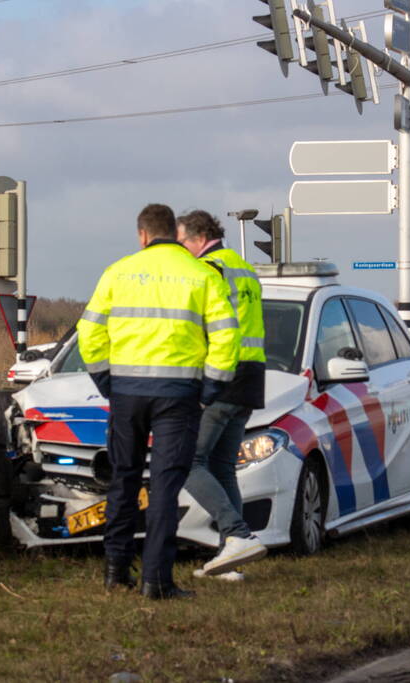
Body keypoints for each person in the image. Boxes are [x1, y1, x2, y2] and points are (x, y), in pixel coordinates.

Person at [77, 203, 240, 600]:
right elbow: (226, 336)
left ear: (143, 235)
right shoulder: (202, 274)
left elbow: (89, 333)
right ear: (174, 232)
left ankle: (116, 571)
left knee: (124, 479)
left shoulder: (117, 272)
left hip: (127, 393)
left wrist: (105, 381)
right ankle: (157, 579)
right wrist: (211, 388)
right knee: (166, 485)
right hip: (179, 394)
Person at [176, 211, 268, 581]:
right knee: (221, 467)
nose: (180, 249)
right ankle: (230, 559)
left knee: (187, 461)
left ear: (199, 237)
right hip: (251, 377)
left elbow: (199, 324)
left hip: (223, 374)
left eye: (182, 242)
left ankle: (238, 534)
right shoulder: (242, 267)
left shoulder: (208, 270)